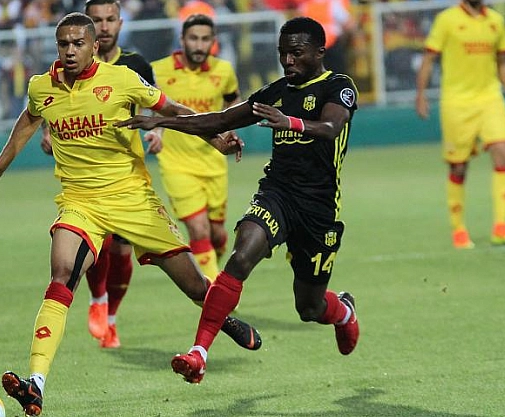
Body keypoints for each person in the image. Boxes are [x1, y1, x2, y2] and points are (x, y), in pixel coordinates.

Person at [0, 13, 261, 416]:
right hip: (80, 202)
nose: (70, 51)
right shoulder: (42, 87)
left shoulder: (121, 79)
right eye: (63, 44)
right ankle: (36, 384)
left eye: (78, 44)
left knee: (194, 286)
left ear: (94, 46)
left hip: (133, 199)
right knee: (61, 274)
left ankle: (221, 318)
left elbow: (171, 108)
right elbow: (30, 118)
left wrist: (215, 139)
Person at [117, 16, 360, 384]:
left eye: (296, 53)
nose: (288, 60)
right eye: (283, 53)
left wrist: (290, 123)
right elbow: (217, 121)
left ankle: (342, 312)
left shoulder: (338, 86)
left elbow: (330, 128)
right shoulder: (277, 91)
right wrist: (161, 122)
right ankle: (198, 354)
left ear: (319, 52)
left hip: (318, 208)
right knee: (241, 256)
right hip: (277, 193)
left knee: (309, 307)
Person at [40, 0, 160, 350]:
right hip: (86, 181)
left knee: (122, 252)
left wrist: (158, 132)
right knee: (97, 246)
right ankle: (97, 298)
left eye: (110, 19)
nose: (104, 26)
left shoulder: (135, 65)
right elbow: (49, 107)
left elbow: (156, 107)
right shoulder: (65, 67)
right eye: (97, 20)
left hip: (125, 173)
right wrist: (48, 134)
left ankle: (111, 316)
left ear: (120, 23)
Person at [415, 0, 505, 249]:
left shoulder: (495, 21)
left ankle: (501, 226)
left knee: (504, 151)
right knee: (458, 167)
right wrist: (420, 95)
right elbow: (429, 58)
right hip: (456, 103)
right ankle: (459, 230)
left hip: (490, 99)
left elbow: (503, 63)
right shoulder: (447, 19)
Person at [151, 13, 241, 284]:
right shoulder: (158, 70)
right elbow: (151, 106)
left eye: (205, 39)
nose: (199, 45)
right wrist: (157, 131)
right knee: (198, 230)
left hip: (213, 161)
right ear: (182, 40)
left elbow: (233, 98)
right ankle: (215, 294)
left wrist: (231, 124)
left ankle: (213, 265)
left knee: (217, 235)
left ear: (213, 41)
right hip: (176, 163)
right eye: (193, 38)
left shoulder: (223, 71)